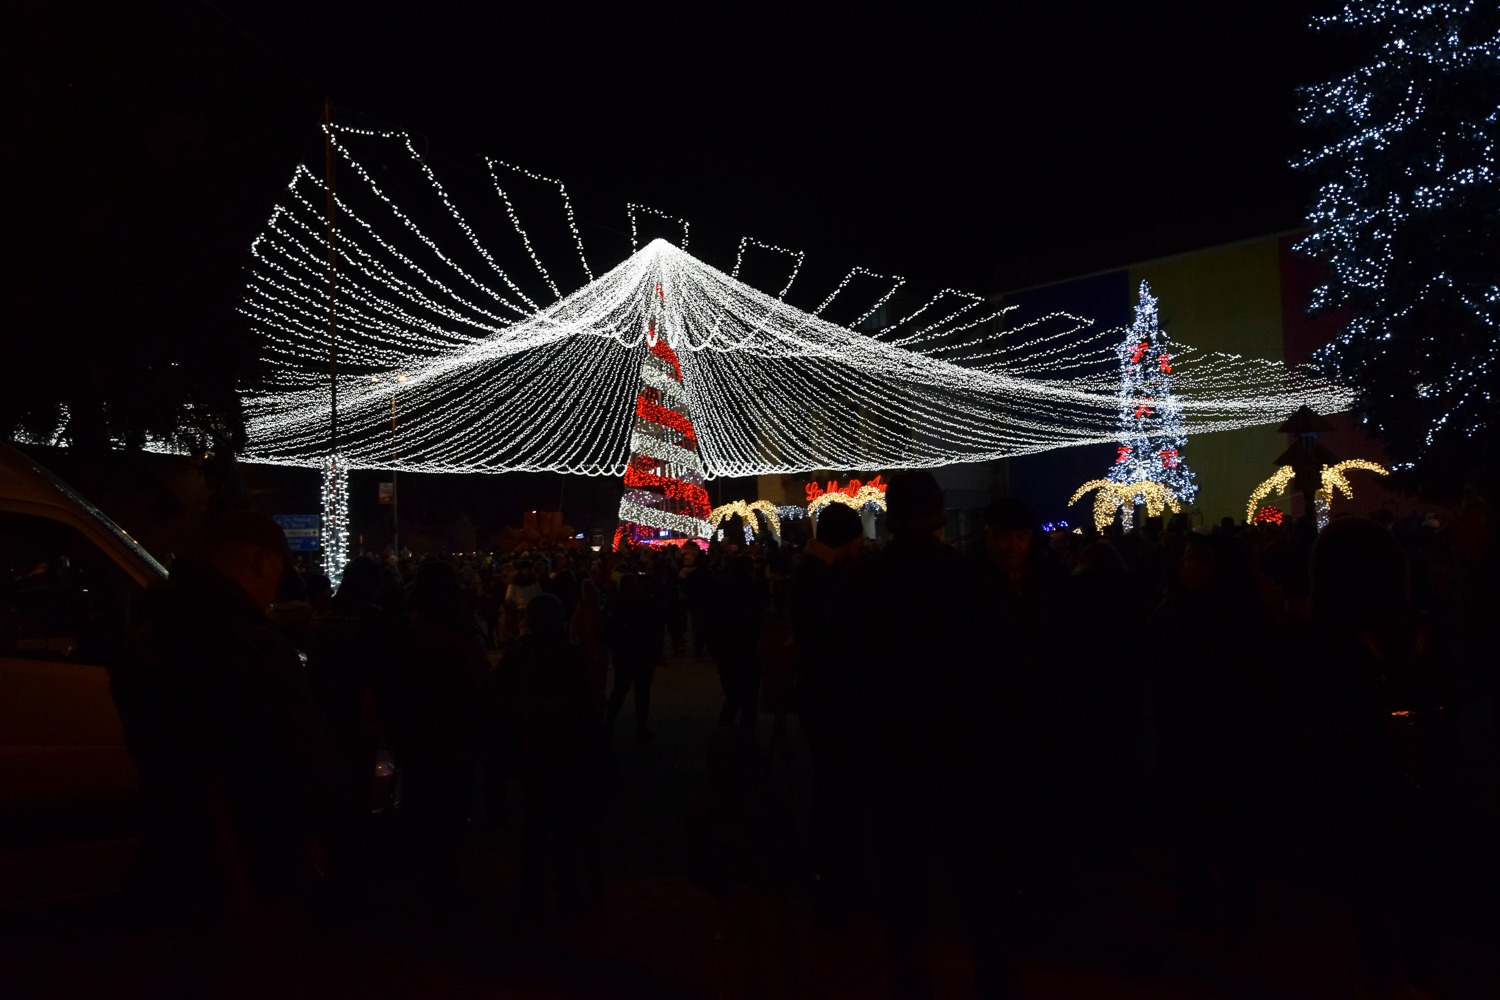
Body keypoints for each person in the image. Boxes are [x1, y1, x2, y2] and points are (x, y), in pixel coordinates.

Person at [111, 510, 333, 923]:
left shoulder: (150, 633)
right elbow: (301, 763)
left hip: (162, 855)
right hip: (246, 868)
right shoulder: (258, 652)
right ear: (262, 562)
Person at [852, 471, 1019, 999]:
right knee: (979, 881)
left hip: (895, 753)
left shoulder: (869, 581)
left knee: (905, 888)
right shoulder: (965, 575)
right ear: (938, 511)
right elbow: (1000, 662)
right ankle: (994, 980)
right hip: (961, 748)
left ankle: (911, 982)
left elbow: (851, 672)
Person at [388, 560, 490, 896]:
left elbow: (390, 682)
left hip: (414, 731)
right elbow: (479, 682)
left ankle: (420, 873)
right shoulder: (462, 631)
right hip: (454, 733)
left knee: (418, 799)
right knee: (450, 805)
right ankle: (442, 876)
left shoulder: (404, 629)